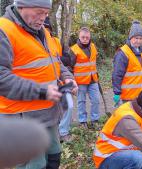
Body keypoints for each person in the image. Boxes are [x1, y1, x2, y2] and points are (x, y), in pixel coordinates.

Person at [0, 0, 78, 168]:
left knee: (54, 157)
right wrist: (42, 91)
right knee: (35, 164)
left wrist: (68, 77)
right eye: (38, 12)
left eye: (46, 13)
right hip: (20, 118)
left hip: (48, 114)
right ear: (21, 6)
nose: (43, 18)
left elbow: (56, 62)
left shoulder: (43, 31)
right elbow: (1, 78)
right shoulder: (4, 31)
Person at [93, 88, 142, 169]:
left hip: (125, 154)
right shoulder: (127, 120)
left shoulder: (135, 109)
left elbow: (138, 128)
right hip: (107, 158)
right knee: (137, 158)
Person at [44, 17, 74, 142]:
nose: (45, 30)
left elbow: (64, 59)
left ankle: (63, 132)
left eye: (47, 28)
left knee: (70, 105)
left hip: (60, 82)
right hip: (43, 85)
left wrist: (61, 59)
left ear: (50, 30)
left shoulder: (55, 41)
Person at [69, 27, 102, 128]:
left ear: (89, 37)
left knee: (96, 100)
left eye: (87, 37)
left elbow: (94, 62)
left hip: (93, 79)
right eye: (83, 37)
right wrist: (71, 80)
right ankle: (83, 122)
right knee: (81, 101)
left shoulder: (93, 46)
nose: (85, 39)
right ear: (79, 37)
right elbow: (69, 66)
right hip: (80, 81)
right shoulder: (74, 49)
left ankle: (94, 120)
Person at [112, 20, 142, 106]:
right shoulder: (123, 53)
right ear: (130, 38)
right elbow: (117, 74)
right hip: (127, 97)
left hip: (140, 96)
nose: (138, 41)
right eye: (136, 38)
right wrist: (117, 92)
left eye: (140, 38)